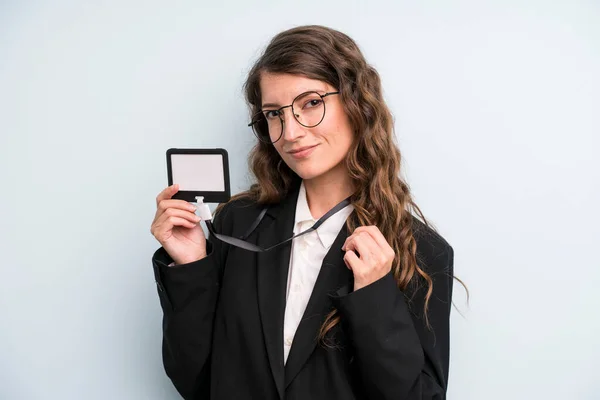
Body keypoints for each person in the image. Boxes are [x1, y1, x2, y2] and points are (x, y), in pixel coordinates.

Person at [150, 25, 455, 400]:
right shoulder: (237, 225)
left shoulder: (422, 250)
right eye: (274, 114)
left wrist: (375, 297)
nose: (290, 132)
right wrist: (191, 267)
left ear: (356, 103)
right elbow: (194, 380)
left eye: (311, 103)